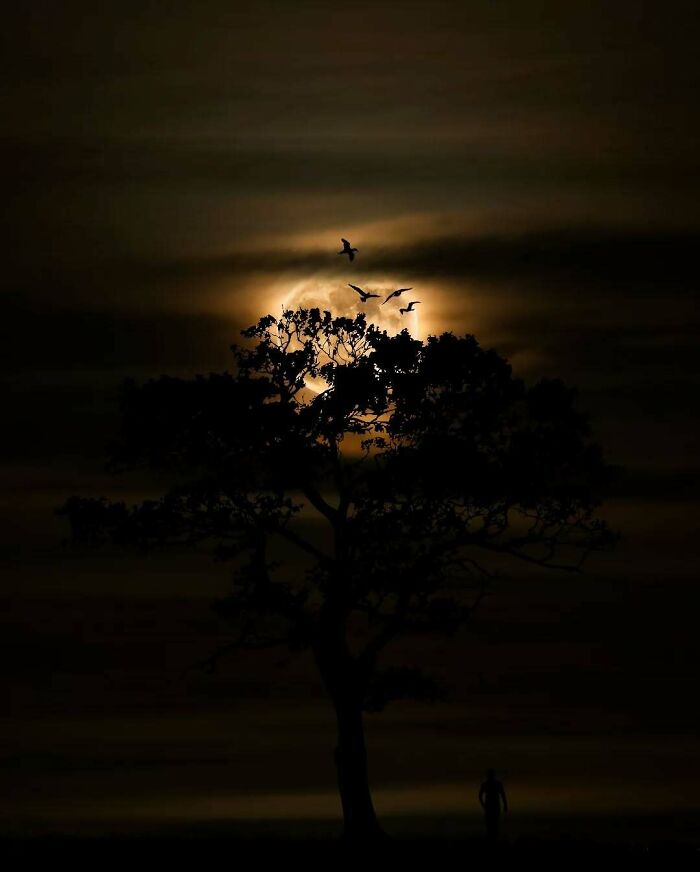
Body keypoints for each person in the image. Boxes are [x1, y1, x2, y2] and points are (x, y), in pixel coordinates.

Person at [479, 768, 508, 841]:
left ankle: (491, 838)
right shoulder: (497, 783)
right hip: (494, 805)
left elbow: (480, 795)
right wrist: (505, 805)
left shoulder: (485, 784)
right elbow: (503, 795)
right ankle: (494, 838)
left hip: (489, 805)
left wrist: (483, 804)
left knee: (490, 823)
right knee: (494, 823)